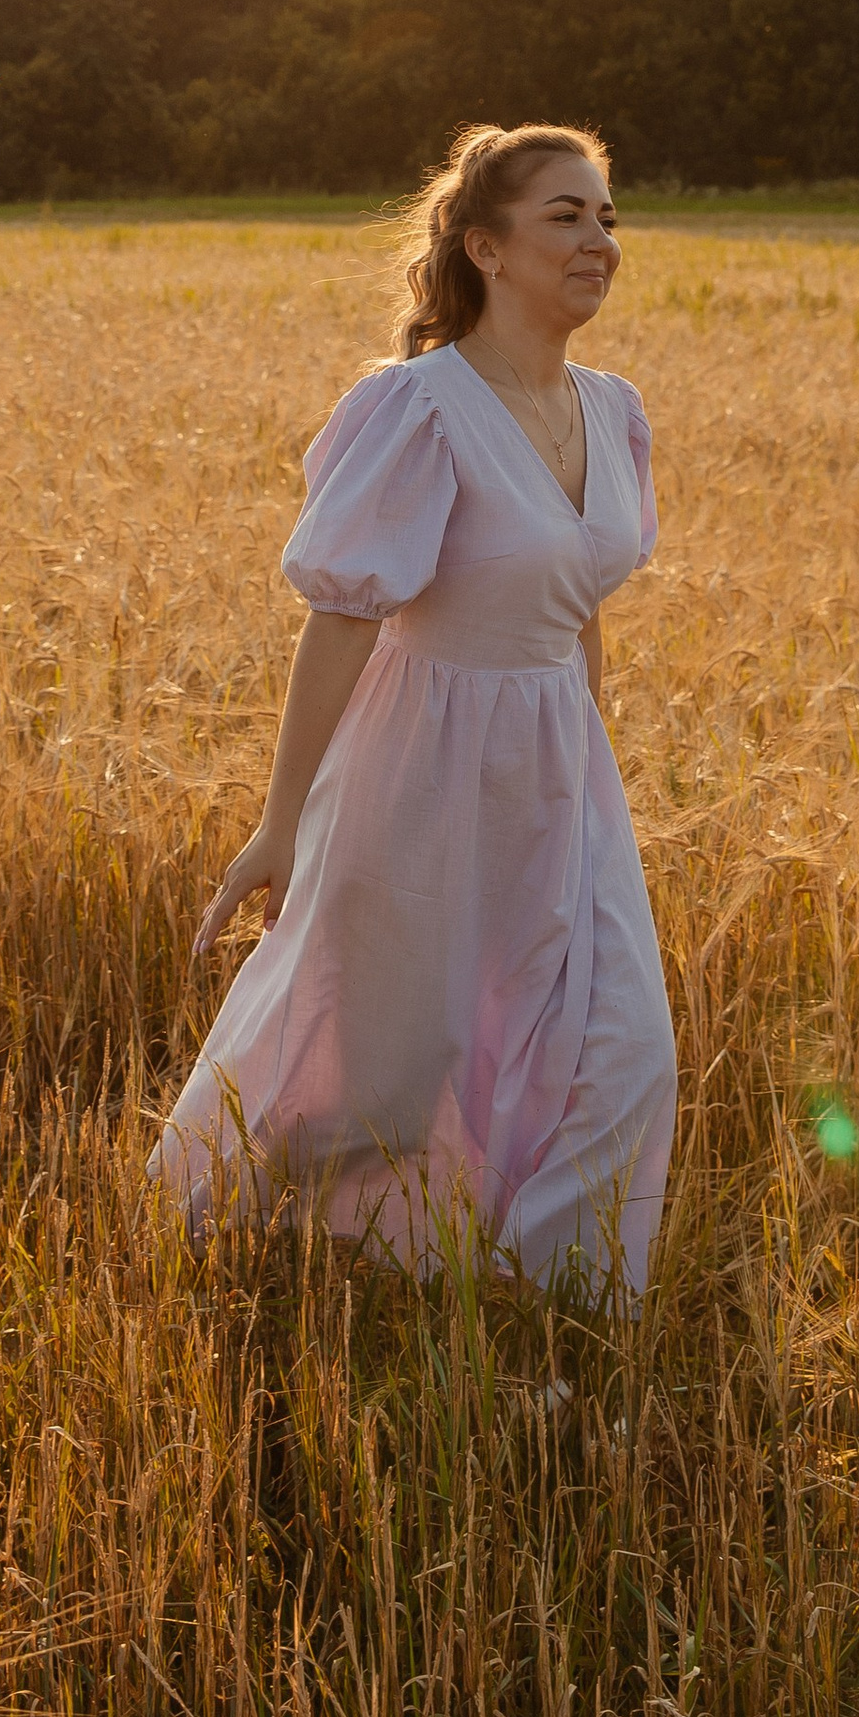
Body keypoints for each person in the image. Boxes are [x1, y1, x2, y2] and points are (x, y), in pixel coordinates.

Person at [155, 121, 674, 1296]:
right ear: (486, 249)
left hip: (559, 772)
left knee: (623, 1048)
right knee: (385, 1055)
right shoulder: (422, 407)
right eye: (566, 216)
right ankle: (234, 1230)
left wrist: (589, 759)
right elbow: (341, 619)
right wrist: (284, 823)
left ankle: (546, 1298)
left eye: (607, 217)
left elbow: (580, 603)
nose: (598, 239)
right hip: (423, 762)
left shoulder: (614, 409)